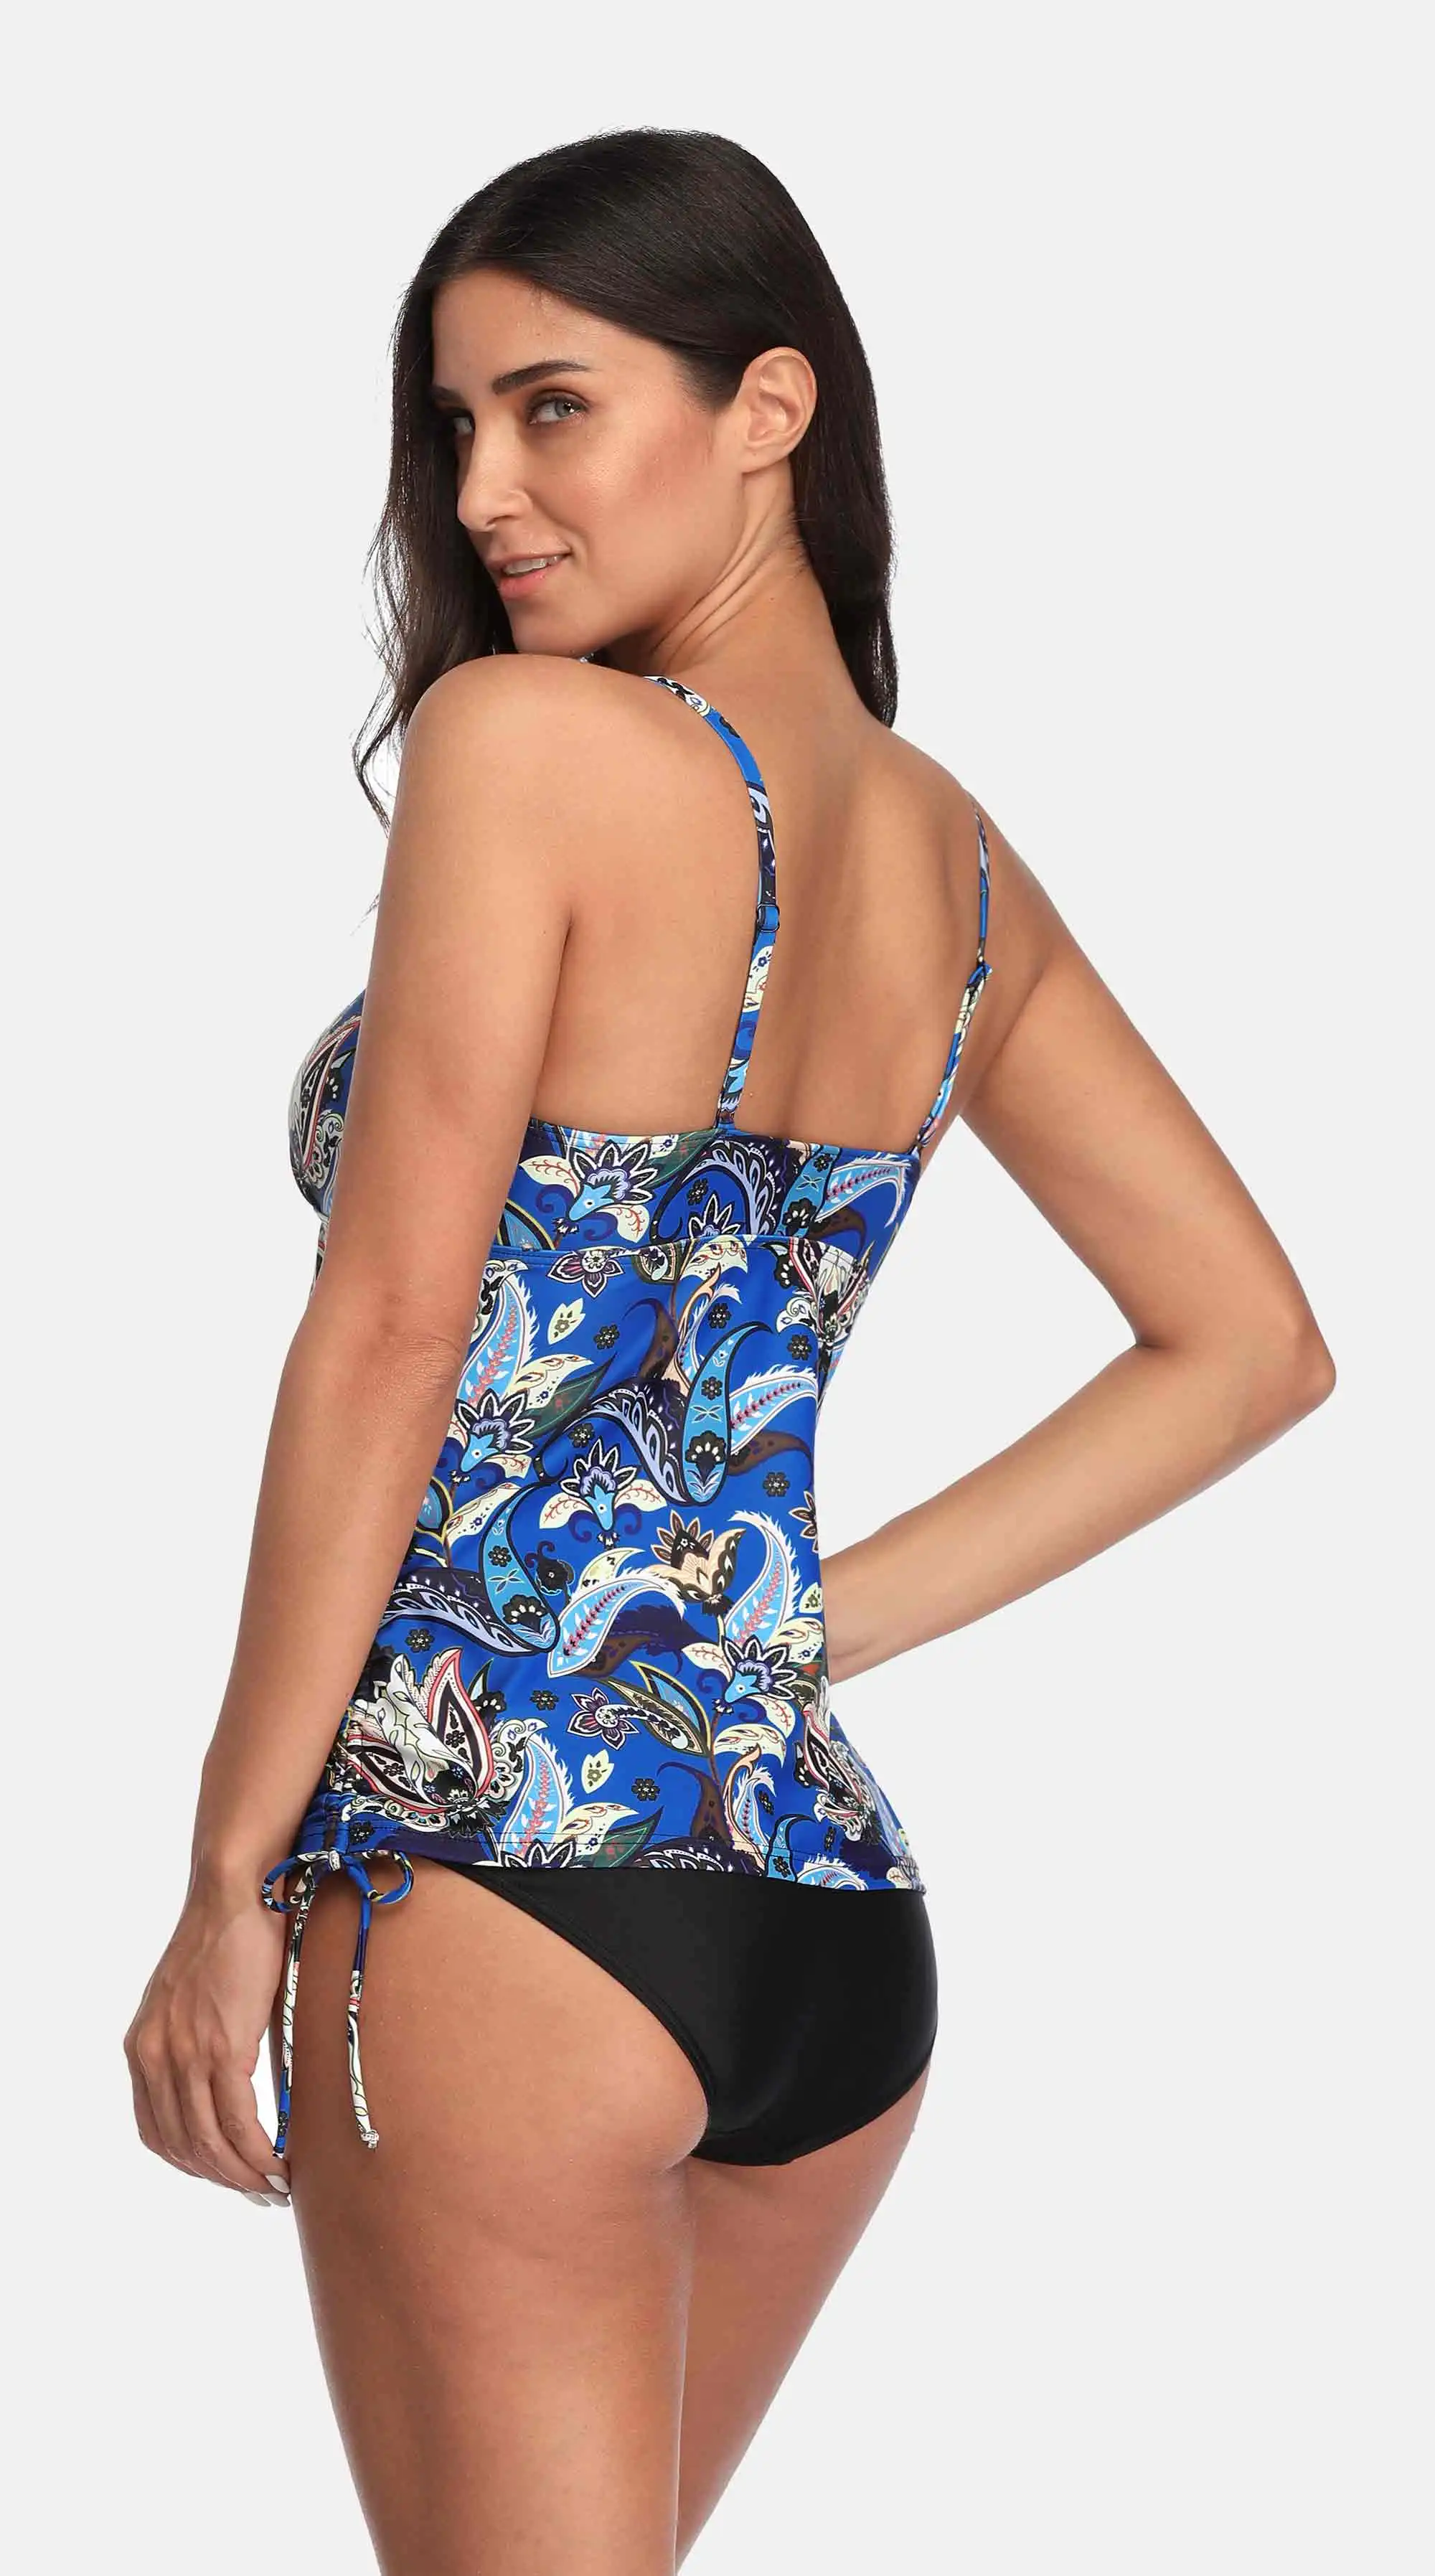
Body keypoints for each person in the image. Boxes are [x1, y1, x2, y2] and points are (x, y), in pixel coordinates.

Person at [123, 128, 1335, 2576]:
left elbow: (393, 1326)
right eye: (455, 424)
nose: (484, 489)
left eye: (554, 407)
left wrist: (231, 1867)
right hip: (821, 1915)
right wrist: (776, 1629)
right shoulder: (952, 857)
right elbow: (1244, 1343)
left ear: (770, 407)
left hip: (503, 1886)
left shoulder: (524, 748)